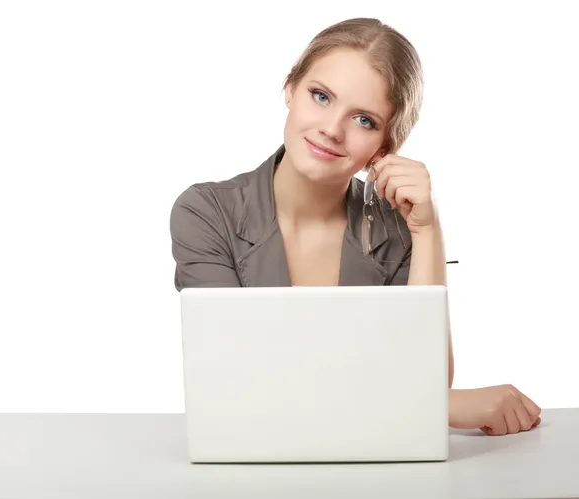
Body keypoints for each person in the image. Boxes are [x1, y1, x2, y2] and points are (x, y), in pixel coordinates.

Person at [169, 17, 541, 436]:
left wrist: (427, 232)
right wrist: (448, 407)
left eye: (364, 120)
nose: (331, 129)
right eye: (320, 96)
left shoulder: (397, 229)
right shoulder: (207, 212)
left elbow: (427, 376)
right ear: (290, 88)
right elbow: (237, 380)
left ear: (384, 147)